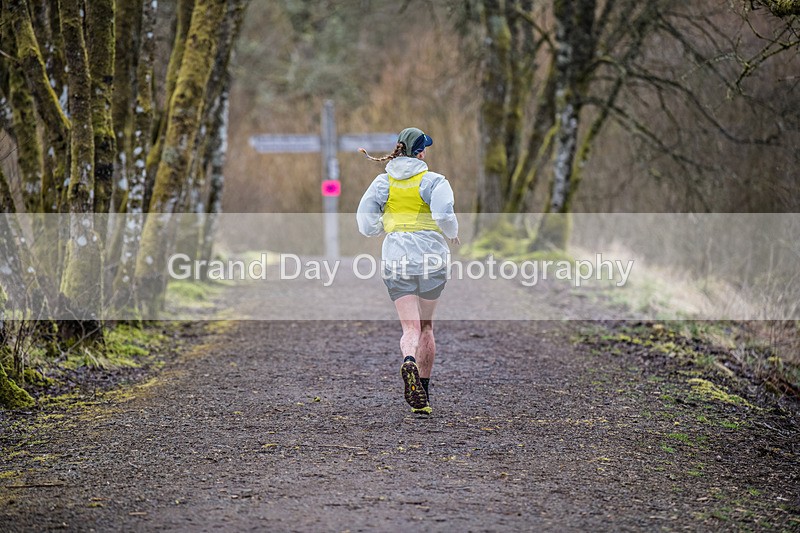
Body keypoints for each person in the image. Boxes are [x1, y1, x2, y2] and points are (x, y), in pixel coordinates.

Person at [356, 127, 459, 415]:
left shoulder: (382, 183)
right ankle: (422, 394)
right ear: (421, 152)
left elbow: (365, 223)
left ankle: (409, 359)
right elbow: (444, 215)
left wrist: (384, 228)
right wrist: (453, 233)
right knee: (426, 326)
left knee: (409, 327)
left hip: (396, 258)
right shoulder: (435, 182)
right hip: (431, 260)